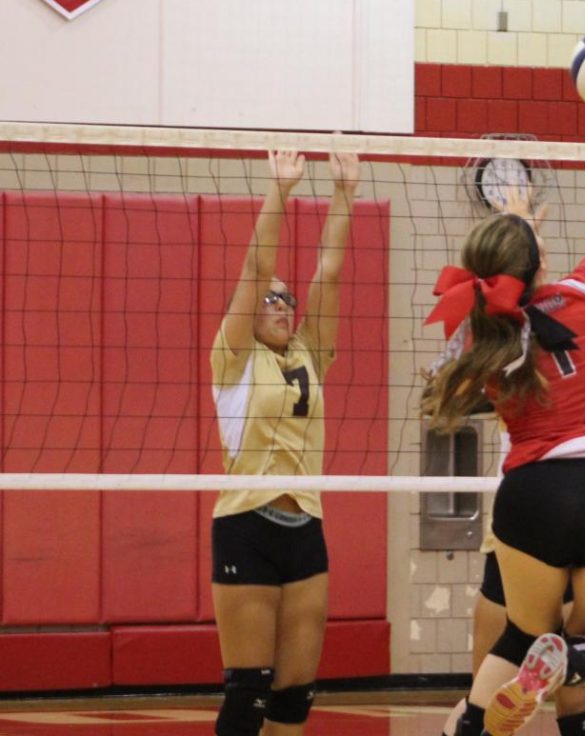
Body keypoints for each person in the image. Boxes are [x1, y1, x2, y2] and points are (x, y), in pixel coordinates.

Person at [423, 36, 585, 736]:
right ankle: (575, 662)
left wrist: (514, 231)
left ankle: (474, 721)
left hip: (531, 494)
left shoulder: (481, 331)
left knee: (517, 637)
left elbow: (507, 297)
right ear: (544, 255)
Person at [209, 148, 359, 736]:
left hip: (306, 528)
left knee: (294, 699)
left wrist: (344, 191)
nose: (279, 305)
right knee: (248, 696)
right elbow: (255, 266)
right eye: (269, 299)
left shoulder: (308, 353)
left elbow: (329, 271)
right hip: (246, 523)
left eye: (285, 300)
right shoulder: (232, 357)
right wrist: (282, 189)